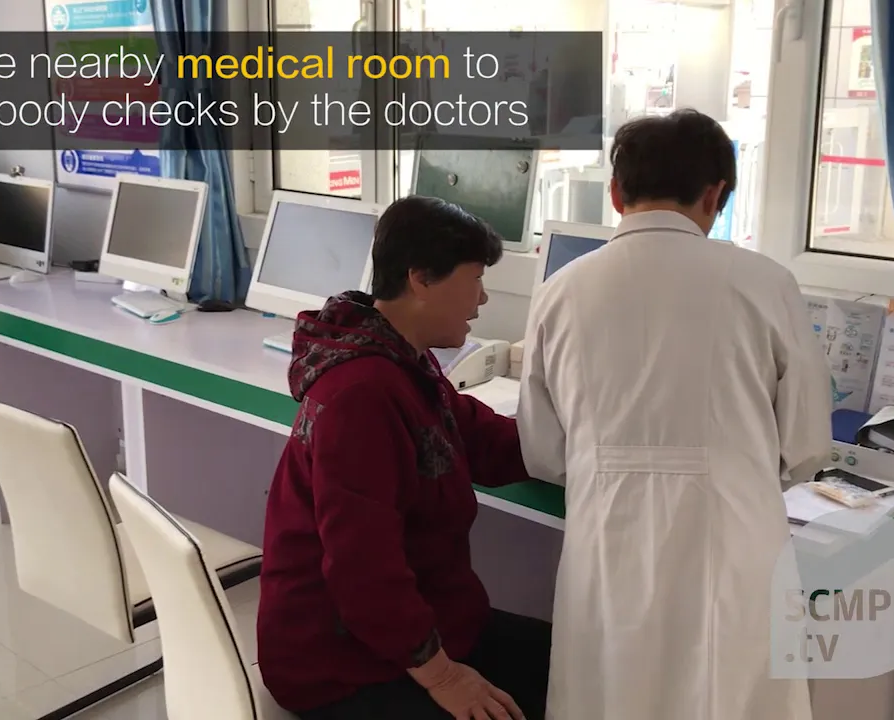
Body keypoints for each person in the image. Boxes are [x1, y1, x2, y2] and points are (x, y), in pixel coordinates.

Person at [518, 108, 831, 720]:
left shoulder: (560, 291)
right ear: (715, 195)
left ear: (616, 193)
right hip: (736, 546)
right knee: (731, 698)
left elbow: (545, 453)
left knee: (608, 694)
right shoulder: (766, 283)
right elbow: (807, 447)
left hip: (606, 543)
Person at [257, 195, 553, 720]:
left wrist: (586, 442)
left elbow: (485, 442)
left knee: (572, 666)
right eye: (475, 279)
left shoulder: (403, 360)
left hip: (424, 621)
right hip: (340, 662)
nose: (483, 298)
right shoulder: (361, 395)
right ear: (421, 279)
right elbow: (362, 572)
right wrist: (445, 678)